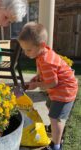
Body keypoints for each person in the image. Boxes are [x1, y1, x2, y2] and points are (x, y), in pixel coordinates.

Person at [18, 22, 78, 150]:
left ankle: (56, 145)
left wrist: (36, 85)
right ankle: (55, 130)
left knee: (55, 117)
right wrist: (37, 79)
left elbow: (52, 83)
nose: (26, 53)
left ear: (42, 45)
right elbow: (47, 75)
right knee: (49, 106)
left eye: (28, 49)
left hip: (65, 90)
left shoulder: (46, 61)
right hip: (59, 89)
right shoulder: (42, 54)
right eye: (24, 49)